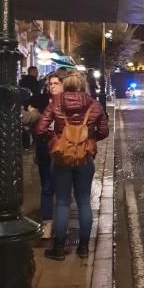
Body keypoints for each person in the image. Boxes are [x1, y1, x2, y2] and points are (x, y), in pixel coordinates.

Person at [36, 71, 109, 261]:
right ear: (82, 85)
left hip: (62, 158)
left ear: (65, 85)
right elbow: (104, 131)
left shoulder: (56, 103)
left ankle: (59, 247)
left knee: (62, 202)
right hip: (84, 158)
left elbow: (41, 128)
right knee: (84, 201)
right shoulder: (93, 104)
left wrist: (56, 140)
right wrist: (89, 140)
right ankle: (83, 247)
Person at [29, 70, 66, 239]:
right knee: (47, 187)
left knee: (62, 189)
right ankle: (47, 223)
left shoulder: (69, 101)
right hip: (45, 149)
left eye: (56, 83)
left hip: (63, 150)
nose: (52, 86)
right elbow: (28, 108)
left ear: (63, 85)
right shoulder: (42, 100)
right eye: (50, 84)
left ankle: (60, 225)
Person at [19, 66, 41, 147]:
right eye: (36, 71)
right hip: (31, 106)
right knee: (33, 124)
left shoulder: (22, 81)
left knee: (26, 127)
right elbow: (36, 95)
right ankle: (32, 143)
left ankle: (26, 145)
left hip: (24, 106)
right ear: (32, 71)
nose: (37, 73)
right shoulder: (33, 81)